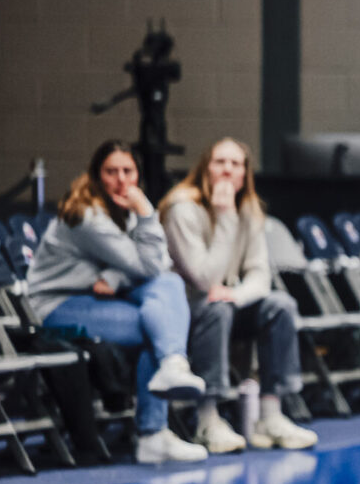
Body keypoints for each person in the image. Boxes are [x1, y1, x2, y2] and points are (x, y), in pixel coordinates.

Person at [27, 140, 209, 463]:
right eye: (111, 172)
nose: (121, 180)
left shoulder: (120, 212)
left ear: (138, 174)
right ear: (97, 176)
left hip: (99, 299)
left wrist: (113, 277)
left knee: (168, 285)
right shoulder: (86, 215)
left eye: (128, 171)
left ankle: (171, 371)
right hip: (56, 307)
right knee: (155, 324)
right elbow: (147, 264)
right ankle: (154, 429)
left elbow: (156, 268)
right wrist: (146, 212)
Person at [159, 138, 319, 453]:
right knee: (215, 307)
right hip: (184, 310)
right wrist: (225, 218)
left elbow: (260, 275)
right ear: (205, 168)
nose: (228, 170)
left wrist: (237, 296)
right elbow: (204, 278)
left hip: (225, 303)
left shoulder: (250, 209)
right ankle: (207, 420)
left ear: (245, 173)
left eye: (236, 164)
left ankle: (270, 415)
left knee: (280, 305)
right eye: (220, 162)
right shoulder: (182, 208)